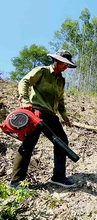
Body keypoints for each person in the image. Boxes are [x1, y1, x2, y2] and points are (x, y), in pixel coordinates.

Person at [9, 49, 77, 188]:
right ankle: (16, 181)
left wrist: (64, 115)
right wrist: (24, 101)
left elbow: (60, 99)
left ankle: (58, 176)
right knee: (29, 144)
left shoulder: (61, 80)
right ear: (56, 61)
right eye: (64, 63)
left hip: (51, 115)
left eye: (68, 65)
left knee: (61, 141)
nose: (66, 67)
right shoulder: (42, 71)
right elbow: (24, 82)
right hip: (36, 112)